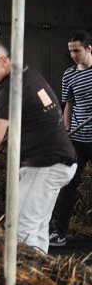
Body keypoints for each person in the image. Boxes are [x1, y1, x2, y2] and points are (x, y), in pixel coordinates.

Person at [0, 40, 76, 254]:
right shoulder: (25, 74)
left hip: (45, 165)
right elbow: (3, 140)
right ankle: (39, 278)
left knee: (21, 229)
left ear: (3, 61)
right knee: (36, 229)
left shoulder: (13, 87)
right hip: (54, 162)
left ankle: (26, 282)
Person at [50, 30, 92, 247]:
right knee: (68, 185)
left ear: (88, 49)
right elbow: (69, 104)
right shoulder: (69, 75)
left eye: (77, 50)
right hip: (78, 138)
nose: (73, 54)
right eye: (70, 51)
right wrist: (66, 131)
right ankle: (60, 233)